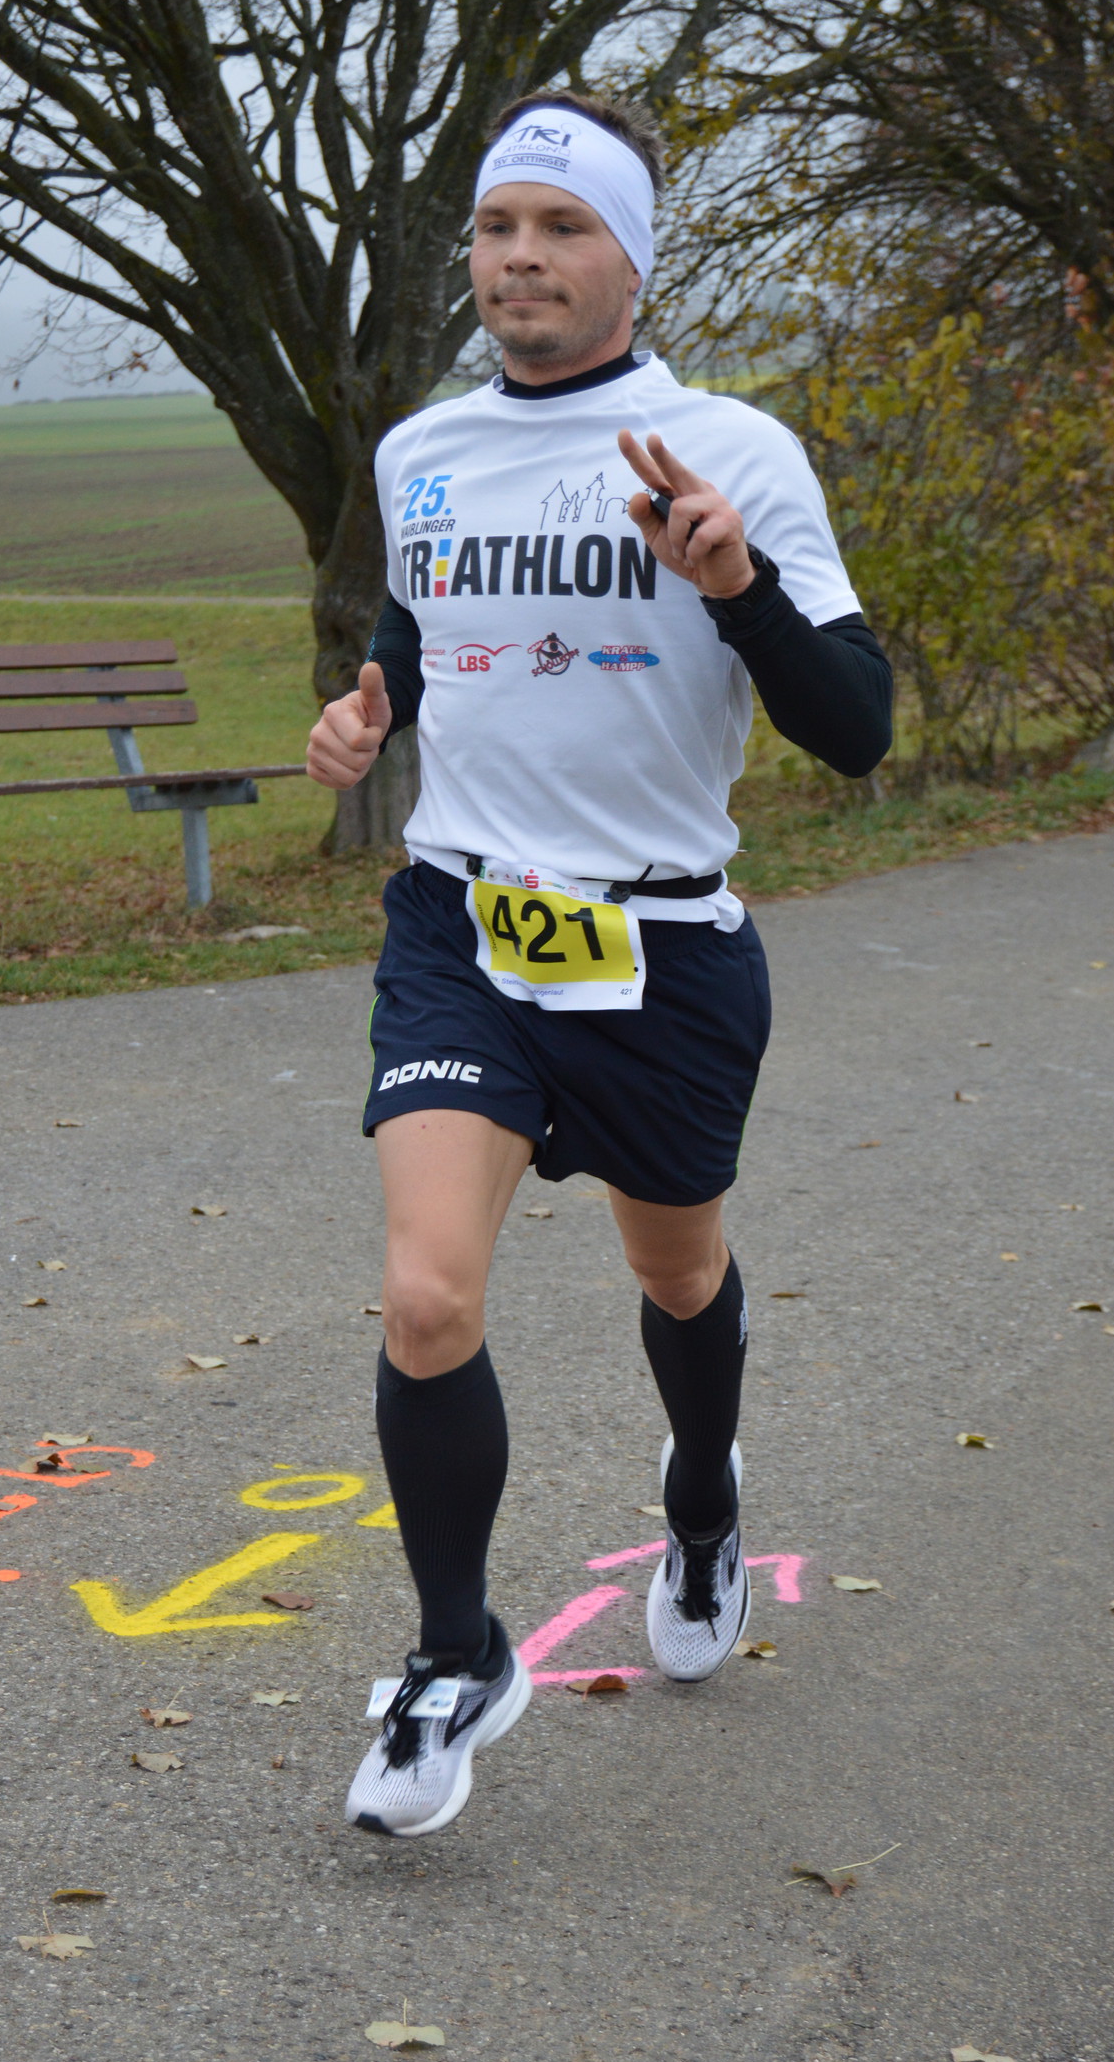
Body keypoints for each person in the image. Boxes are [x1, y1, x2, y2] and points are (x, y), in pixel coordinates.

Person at [306, 89, 892, 1838]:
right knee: (427, 1297)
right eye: (498, 227)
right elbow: (416, 639)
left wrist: (736, 585)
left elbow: (856, 727)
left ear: (633, 261)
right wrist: (366, 716)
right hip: (464, 927)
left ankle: (701, 1498)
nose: (521, 257)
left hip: (660, 949)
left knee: (680, 1275)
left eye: (563, 228)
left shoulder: (731, 451)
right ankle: (455, 1651)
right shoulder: (421, 452)